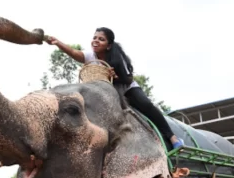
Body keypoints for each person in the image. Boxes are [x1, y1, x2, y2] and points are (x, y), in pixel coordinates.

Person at [45, 27, 184, 150]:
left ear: (109, 45)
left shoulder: (117, 58)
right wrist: (58, 43)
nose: (96, 41)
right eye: (94, 38)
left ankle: (172, 137)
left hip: (126, 88)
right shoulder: (90, 56)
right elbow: (74, 52)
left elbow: (128, 78)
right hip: (105, 94)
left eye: (101, 39)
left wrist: (116, 76)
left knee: (146, 105)